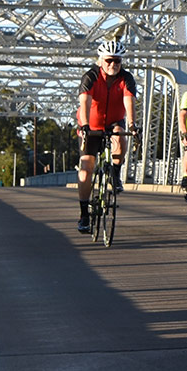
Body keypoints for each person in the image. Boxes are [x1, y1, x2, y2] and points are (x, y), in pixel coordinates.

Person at [75, 41, 137, 232]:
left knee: (120, 134)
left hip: (114, 122)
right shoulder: (91, 77)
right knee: (86, 167)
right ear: (101, 60)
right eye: (109, 60)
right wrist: (85, 126)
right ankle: (84, 214)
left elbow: (129, 101)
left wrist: (133, 125)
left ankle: (116, 174)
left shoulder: (126, 78)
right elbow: (84, 101)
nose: (113, 64)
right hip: (91, 125)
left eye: (117, 60)